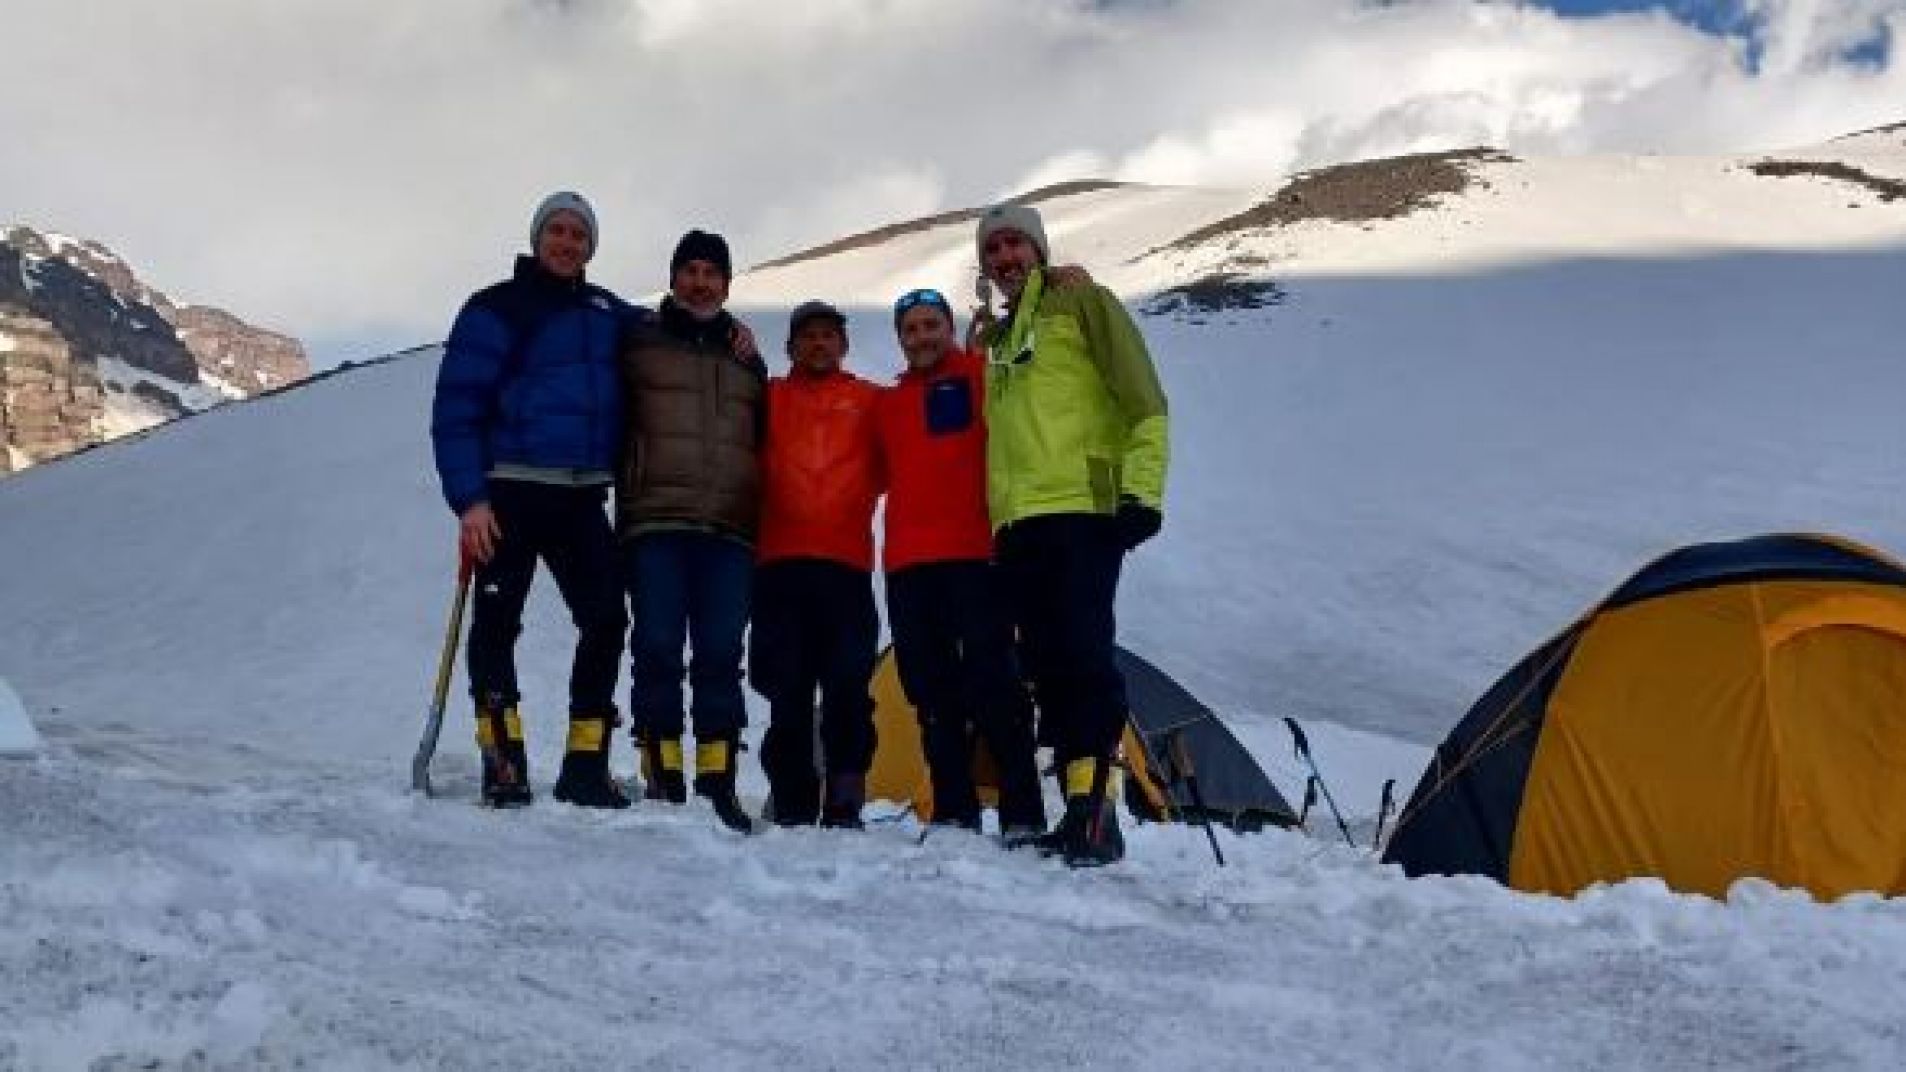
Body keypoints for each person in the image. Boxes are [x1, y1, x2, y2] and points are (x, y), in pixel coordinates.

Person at [975, 202, 1170, 866]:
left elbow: (1144, 400)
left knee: (1086, 657)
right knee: (1048, 669)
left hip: (1083, 510)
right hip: (1017, 523)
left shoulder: (1086, 305)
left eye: (1015, 245)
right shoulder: (994, 342)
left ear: (1039, 249)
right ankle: (1078, 805)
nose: (1005, 259)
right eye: (993, 250)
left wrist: (1143, 492)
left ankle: (1099, 814)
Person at [430, 190, 632, 810]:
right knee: (496, 626)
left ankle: (585, 765)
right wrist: (470, 501)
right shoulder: (495, 308)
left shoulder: (607, 314)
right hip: (508, 494)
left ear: (591, 248)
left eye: (579, 235)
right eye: (558, 231)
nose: (567, 243)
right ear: (538, 237)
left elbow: (673, 329)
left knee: (605, 618)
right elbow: (456, 409)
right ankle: (504, 763)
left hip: (579, 496)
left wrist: (728, 333)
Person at [874, 287, 1044, 840]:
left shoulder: (983, 377)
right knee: (929, 692)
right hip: (908, 564)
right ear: (900, 339)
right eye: (911, 329)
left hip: (976, 558)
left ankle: (1023, 812)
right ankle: (953, 808)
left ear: (949, 329)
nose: (921, 337)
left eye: (931, 326)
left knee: (997, 685)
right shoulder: (888, 404)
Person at [617, 229, 766, 833]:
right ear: (674, 278)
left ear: (727, 285)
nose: (701, 282)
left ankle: (717, 780)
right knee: (655, 648)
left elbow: (766, 438)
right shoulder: (638, 342)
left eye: (712, 273)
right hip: (655, 520)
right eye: (691, 271)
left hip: (729, 529)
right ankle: (662, 772)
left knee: (721, 656)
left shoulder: (746, 359)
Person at [751, 300, 884, 829]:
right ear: (790, 348)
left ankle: (846, 795)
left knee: (849, 688)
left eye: (829, 335)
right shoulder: (767, 399)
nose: (819, 344)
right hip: (778, 566)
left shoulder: (871, 402)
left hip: (846, 568)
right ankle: (792, 798)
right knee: (787, 689)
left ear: (843, 346)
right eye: (808, 336)